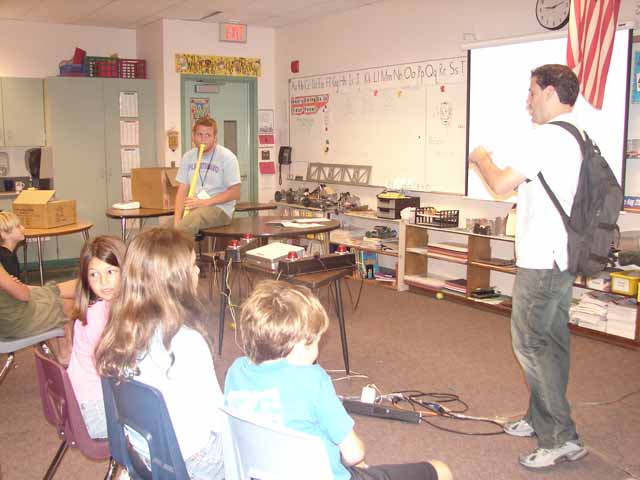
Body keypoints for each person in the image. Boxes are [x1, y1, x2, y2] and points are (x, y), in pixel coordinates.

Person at [468, 64, 587, 469]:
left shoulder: (548, 136)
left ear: (551, 93)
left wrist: (480, 158)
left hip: (542, 260)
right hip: (561, 258)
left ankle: (560, 437)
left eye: (533, 92)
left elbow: (501, 184)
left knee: (530, 345)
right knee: (552, 343)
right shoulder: (577, 134)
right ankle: (539, 419)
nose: (528, 101)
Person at [224, 280, 452, 480]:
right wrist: (358, 460)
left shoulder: (236, 371)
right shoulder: (312, 380)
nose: (317, 350)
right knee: (440, 470)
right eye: (315, 343)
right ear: (299, 346)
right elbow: (354, 454)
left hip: (260, 473)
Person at [96, 227, 224, 480]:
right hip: (195, 463)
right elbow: (218, 419)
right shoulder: (188, 342)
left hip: (145, 457)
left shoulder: (119, 334)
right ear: (175, 281)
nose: (198, 271)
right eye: (192, 266)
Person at [67, 235, 125, 439]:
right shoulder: (99, 318)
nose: (103, 282)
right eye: (94, 274)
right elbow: (118, 372)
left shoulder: (99, 307)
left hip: (88, 404)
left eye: (110, 272)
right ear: (86, 279)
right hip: (97, 413)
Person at [0, 212, 75, 360]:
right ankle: (65, 355)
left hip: (10, 310)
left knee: (54, 292)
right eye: (18, 226)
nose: (22, 228)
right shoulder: (6, 259)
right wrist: (15, 284)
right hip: (14, 320)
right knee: (69, 305)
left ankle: (61, 353)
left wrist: (13, 284)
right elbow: (23, 294)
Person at [174, 116, 241, 237]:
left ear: (215, 138)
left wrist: (205, 202)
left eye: (208, 135)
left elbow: (235, 193)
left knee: (185, 226)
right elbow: (182, 190)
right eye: (199, 135)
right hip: (195, 207)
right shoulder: (188, 157)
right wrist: (176, 221)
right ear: (193, 136)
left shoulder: (227, 157)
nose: (203, 139)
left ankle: (181, 249)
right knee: (165, 229)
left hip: (220, 209)